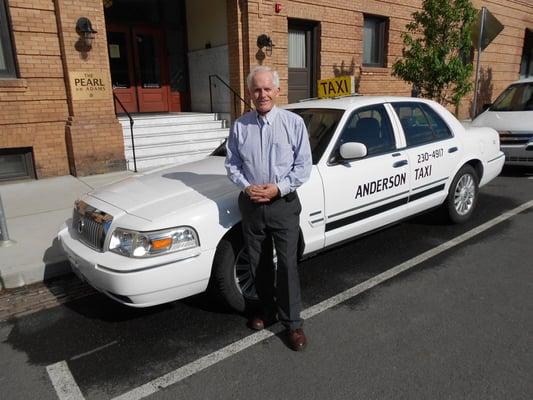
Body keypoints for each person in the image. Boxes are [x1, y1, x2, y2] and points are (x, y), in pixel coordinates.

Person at [225, 66, 312, 351]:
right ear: (250, 93)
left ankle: (293, 323)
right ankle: (267, 309)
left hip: (283, 205)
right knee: (257, 262)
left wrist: (278, 188)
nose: (261, 94)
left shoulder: (293, 123)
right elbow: (232, 164)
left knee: (286, 264)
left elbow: (303, 167)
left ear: (277, 90)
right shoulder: (240, 126)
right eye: (256, 90)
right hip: (252, 205)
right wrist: (245, 185)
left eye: (266, 89)